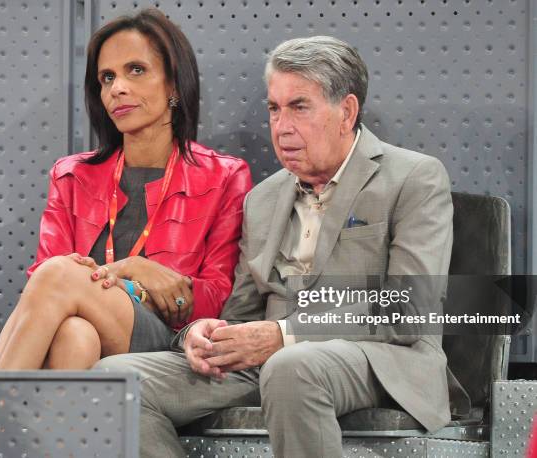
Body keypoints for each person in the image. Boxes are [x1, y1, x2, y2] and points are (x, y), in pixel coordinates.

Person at [95, 35, 470, 458]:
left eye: (299, 107)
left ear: (346, 112)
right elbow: (240, 314)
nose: (282, 126)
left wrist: (283, 336)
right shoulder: (264, 197)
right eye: (274, 109)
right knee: (116, 379)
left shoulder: (413, 177)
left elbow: (409, 307)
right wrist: (201, 336)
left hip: (379, 356)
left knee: (292, 367)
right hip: (268, 362)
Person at [0, 9, 252, 370]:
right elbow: (40, 291)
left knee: (59, 273)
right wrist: (134, 271)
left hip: (171, 341)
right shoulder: (71, 176)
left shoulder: (224, 176)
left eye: (136, 70)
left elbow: (219, 299)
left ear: (174, 85)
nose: (118, 88)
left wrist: (132, 273)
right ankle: (50, 426)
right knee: (74, 335)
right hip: (93, 332)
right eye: (107, 77)